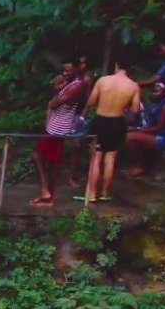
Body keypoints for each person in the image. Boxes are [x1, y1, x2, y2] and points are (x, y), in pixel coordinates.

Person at [81, 58, 141, 203]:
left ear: (116, 65)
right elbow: (135, 109)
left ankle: (92, 194)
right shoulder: (133, 86)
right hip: (117, 122)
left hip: (101, 120)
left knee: (96, 158)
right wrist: (123, 106)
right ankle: (105, 193)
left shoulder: (103, 81)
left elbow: (91, 102)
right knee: (110, 158)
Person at [30, 57, 85, 207]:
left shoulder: (77, 85)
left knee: (39, 157)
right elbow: (54, 98)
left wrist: (57, 91)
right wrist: (57, 88)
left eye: (68, 70)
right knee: (51, 161)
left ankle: (46, 193)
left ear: (76, 69)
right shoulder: (68, 84)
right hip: (54, 126)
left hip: (58, 128)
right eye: (63, 70)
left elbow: (55, 103)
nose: (65, 73)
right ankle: (48, 196)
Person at [125, 81, 165, 178]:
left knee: (130, 137)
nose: (155, 91)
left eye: (158, 89)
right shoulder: (159, 103)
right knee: (131, 134)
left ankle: (140, 166)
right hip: (158, 134)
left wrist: (138, 131)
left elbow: (159, 128)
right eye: (154, 89)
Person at [67, 54, 95, 189]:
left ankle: (73, 177)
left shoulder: (87, 79)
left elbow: (89, 99)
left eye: (85, 63)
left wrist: (83, 116)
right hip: (67, 113)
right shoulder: (70, 76)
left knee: (76, 146)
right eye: (81, 63)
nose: (83, 66)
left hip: (79, 115)